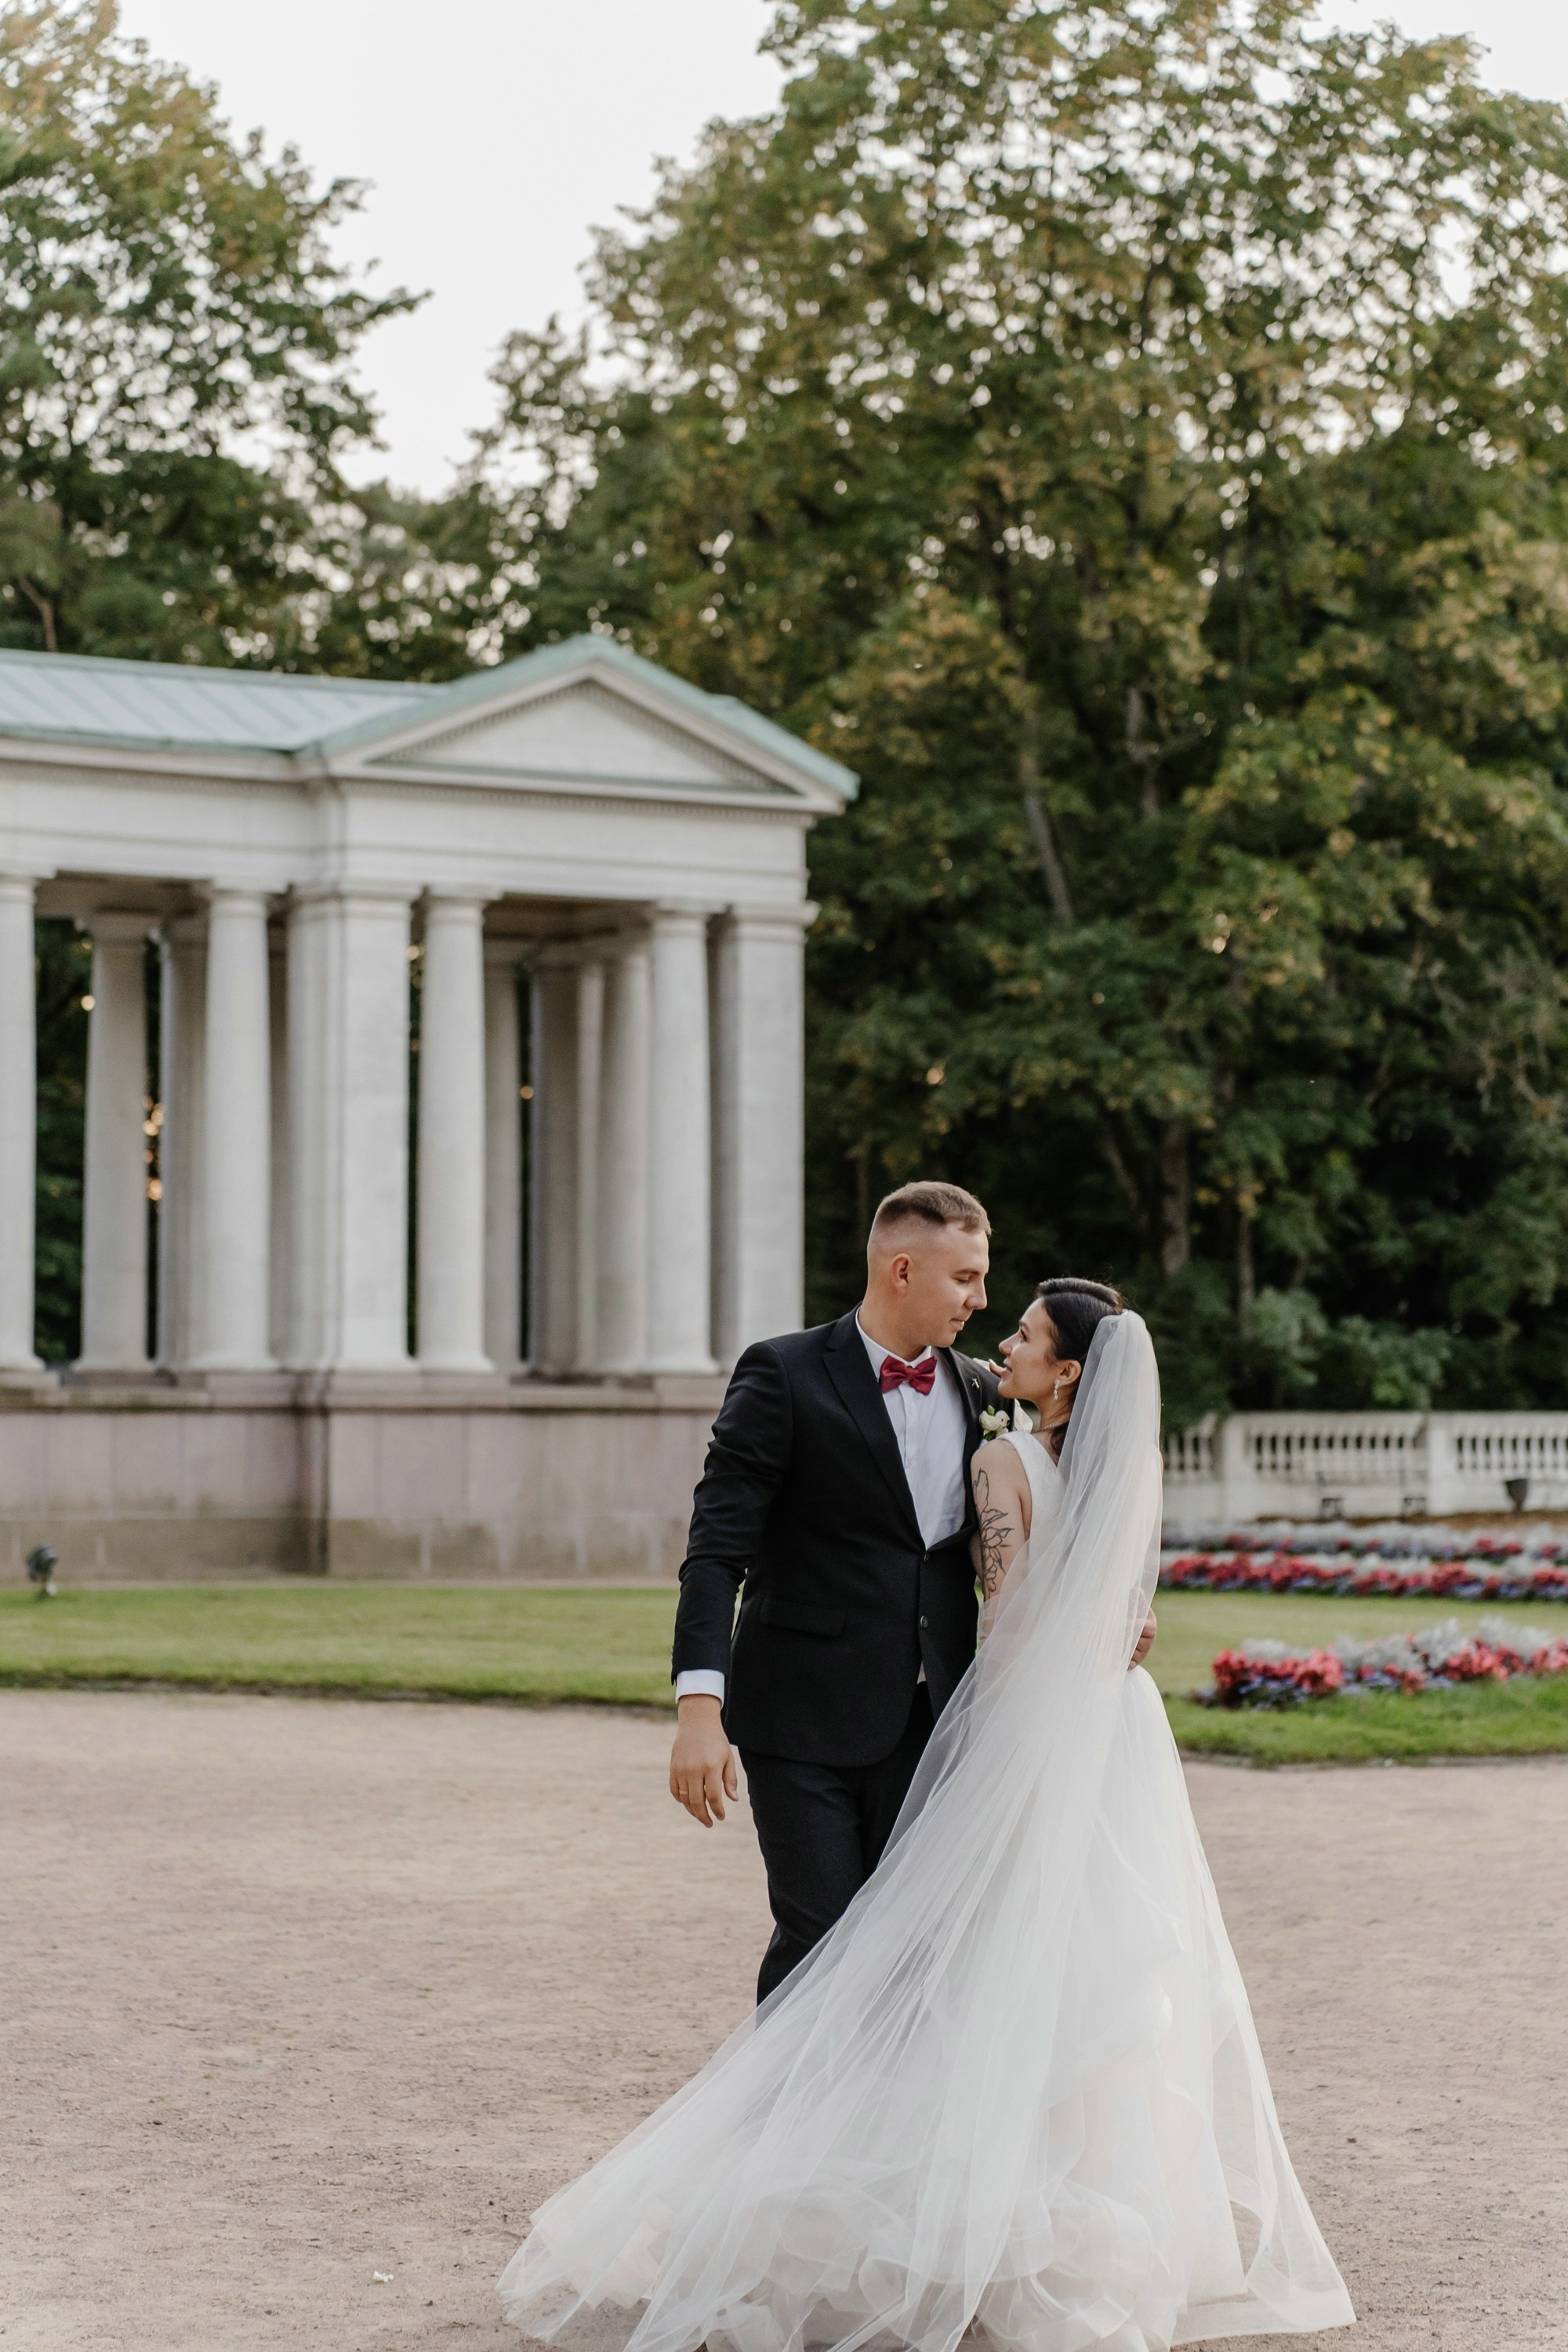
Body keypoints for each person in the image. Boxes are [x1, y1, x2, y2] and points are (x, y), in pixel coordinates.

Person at [499, 1289, 1354, 2352]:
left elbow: (1006, 1620)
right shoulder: (1120, 1459)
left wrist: (984, 1748)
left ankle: (856, 2207)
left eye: (1026, 1331)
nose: (998, 1331)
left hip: (1028, 1725)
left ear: (1069, 1372)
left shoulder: (997, 1456)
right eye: (980, 1295)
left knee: (944, 1965)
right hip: (1113, 1732)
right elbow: (1103, 1593)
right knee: (1077, 1973)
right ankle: (1067, 2228)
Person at [665, 1181, 1154, 1999]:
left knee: (909, 1956)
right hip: (800, 1720)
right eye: (965, 1278)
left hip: (933, 1728)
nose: (982, 1298)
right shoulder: (780, 1375)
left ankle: (881, 2129)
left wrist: (1108, 1614)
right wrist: (696, 1710)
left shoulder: (981, 1392)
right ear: (901, 1270)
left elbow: (1051, 1526)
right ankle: (786, 2127)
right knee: (818, 1943)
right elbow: (714, 1552)